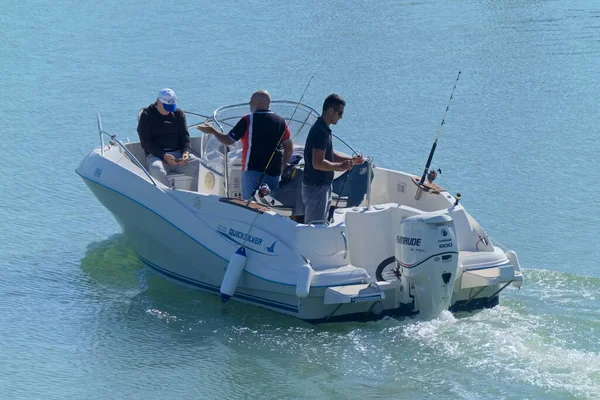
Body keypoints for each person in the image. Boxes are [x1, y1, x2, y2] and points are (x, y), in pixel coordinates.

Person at [197, 90, 293, 200]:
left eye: (251, 101)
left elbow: (228, 140)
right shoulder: (281, 122)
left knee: (250, 204)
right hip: (274, 172)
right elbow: (289, 148)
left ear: (259, 103)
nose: (249, 104)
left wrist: (213, 131)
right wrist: (282, 166)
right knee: (271, 204)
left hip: (252, 170)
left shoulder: (248, 120)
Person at [302, 94, 364, 224]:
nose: (341, 117)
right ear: (331, 110)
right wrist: (340, 167)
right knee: (315, 228)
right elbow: (318, 163)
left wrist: (352, 160)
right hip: (316, 188)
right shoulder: (321, 132)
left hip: (322, 187)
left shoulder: (324, 128)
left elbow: (330, 155)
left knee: (320, 224)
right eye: (339, 113)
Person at [137, 88, 200, 187]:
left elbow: (185, 137)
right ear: (158, 101)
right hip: (156, 156)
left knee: (203, 167)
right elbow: (145, 142)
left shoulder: (179, 114)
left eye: (171, 107)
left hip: (178, 155)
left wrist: (185, 153)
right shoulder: (147, 115)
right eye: (166, 107)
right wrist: (163, 155)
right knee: (156, 169)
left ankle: (195, 198)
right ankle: (168, 198)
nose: (168, 111)